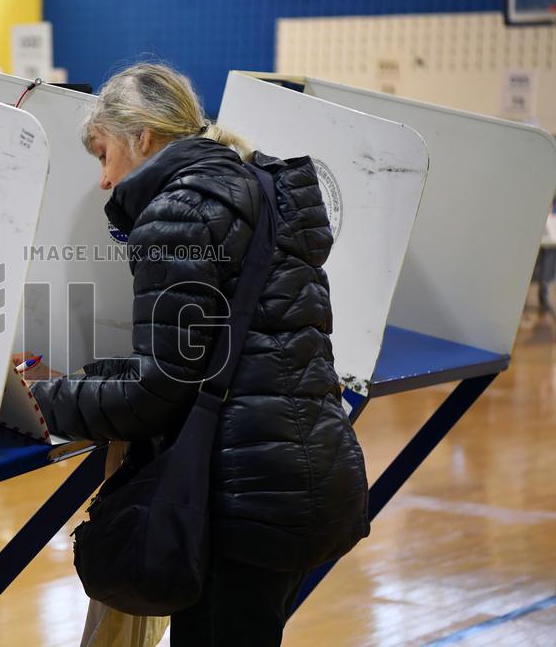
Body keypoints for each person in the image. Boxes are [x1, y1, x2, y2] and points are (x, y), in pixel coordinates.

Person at [23, 63, 370, 646]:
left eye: (103, 155)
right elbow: (205, 354)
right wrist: (87, 377)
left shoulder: (177, 213)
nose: (104, 181)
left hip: (244, 499)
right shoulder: (260, 189)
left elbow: (156, 393)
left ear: (144, 139)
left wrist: (43, 402)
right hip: (308, 474)